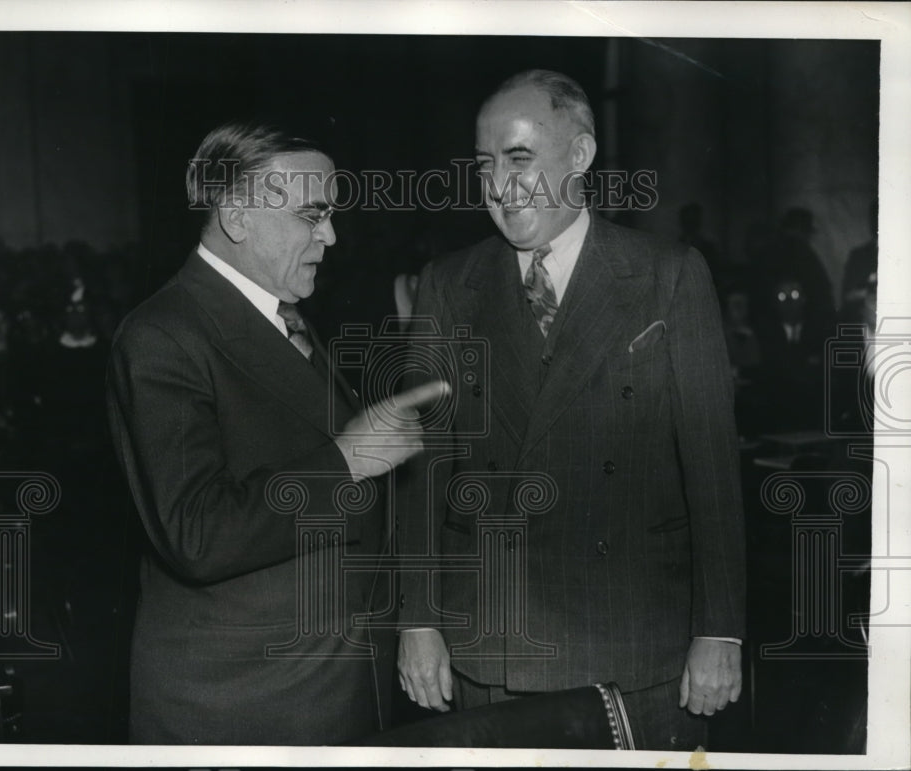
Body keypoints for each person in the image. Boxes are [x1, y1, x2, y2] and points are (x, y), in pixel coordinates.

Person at [396, 70, 746, 751]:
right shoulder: (449, 283)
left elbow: (712, 465)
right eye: (484, 166)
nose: (499, 185)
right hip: (491, 639)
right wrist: (418, 619)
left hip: (637, 646)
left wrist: (719, 628)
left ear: (580, 155)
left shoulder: (667, 275)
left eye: (519, 158)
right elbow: (424, 471)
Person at [106, 121, 446, 744]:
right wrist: (345, 461)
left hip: (326, 686)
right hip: (245, 703)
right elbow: (196, 533)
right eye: (312, 216)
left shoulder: (279, 315)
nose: (332, 236)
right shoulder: (162, 335)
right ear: (238, 216)